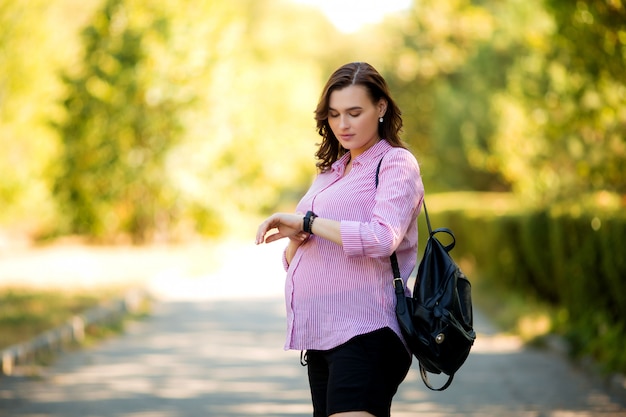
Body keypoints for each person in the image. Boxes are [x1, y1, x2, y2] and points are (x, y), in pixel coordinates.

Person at [255, 62, 424, 417]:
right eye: (333, 115)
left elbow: (382, 238)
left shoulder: (395, 164)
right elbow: (301, 258)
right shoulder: (330, 172)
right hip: (321, 335)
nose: (342, 124)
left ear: (381, 108)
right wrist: (296, 241)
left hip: (367, 330)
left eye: (354, 112)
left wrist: (310, 222)